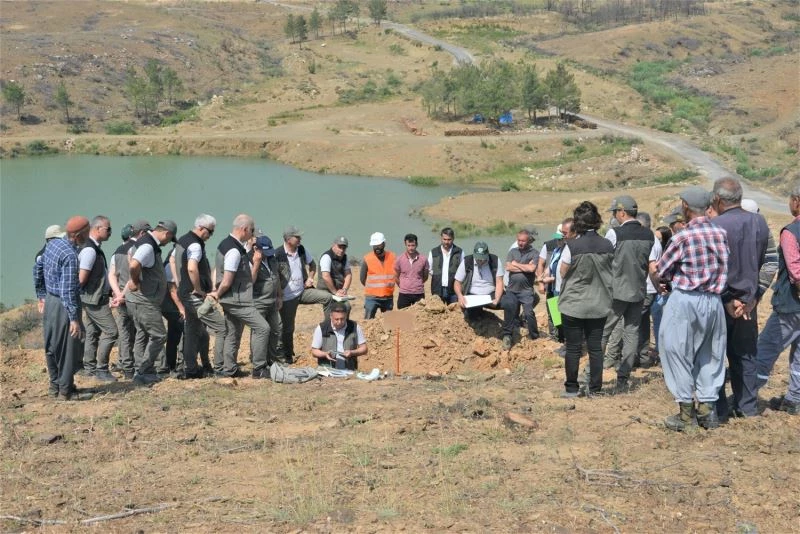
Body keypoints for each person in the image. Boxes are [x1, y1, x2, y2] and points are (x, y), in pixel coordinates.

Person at [655, 186, 729, 431]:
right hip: (713, 300)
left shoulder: (682, 236)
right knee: (711, 353)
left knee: (676, 351)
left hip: (686, 298)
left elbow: (663, 270)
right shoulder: (720, 232)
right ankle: (707, 412)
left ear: (686, 207)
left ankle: (686, 415)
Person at [711, 177, 769, 419]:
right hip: (748, 304)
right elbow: (770, 262)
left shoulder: (715, 226)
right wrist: (755, 297)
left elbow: (712, 269)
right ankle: (747, 407)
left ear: (717, 199)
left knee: (714, 356)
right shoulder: (760, 222)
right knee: (746, 355)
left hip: (720, 303)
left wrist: (726, 299)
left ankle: (718, 410)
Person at [33, 216, 93, 401]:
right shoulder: (70, 255)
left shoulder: (52, 245)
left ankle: (55, 386)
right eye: (87, 232)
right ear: (79, 234)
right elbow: (67, 289)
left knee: (52, 345)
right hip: (62, 304)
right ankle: (66, 392)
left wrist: (41, 295)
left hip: (51, 300)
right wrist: (74, 318)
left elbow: (37, 268)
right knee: (68, 347)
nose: (88, 235)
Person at [558, 201, 614, 397]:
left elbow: (563, 272)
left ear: (578, 223)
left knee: (573, 348)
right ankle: (596, 389)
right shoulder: (607, 244)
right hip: (599, 303)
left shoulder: (571, 246)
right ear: (597, 221)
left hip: (574, 304)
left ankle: (571, 389)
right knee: (595, 348)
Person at [600, 195, 655, 393]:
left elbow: (604, 261)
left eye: (615, 212)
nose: (615, 216)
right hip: (639, 291)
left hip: (616, 292)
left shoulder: (614, 234)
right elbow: (651, 264)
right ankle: (623, 378)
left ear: (622, 212)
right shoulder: (650, 235)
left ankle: (593, 374)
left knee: (604, 332)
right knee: (632, 334)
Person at [754, 185, 800, 414]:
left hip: (790, 306)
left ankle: (747, 397)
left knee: (765, 349)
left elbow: (794, 270)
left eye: (791, 200)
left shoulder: (791, 232)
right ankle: (794, 400)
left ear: (796, 201)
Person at [214, 214, 270, 378]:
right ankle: (259, 368)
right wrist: (216, 294)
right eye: (252, 231)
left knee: (233, 333)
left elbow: (217, 271)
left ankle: (229, 369)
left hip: (232, 298)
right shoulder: (234, 251)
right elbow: (227, 280)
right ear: (244, 229)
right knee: (262, 328)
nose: (252, 235)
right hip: (238, 300)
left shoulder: (226, 244)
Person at [126, 219, 178, 386]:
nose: (168, 243)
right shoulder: (148, 246)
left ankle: (141, 371)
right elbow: (134, 264)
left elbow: (130, 256)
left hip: (140, 299)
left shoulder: (143, 242)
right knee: (159, 335)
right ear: (167, 233)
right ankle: (143, 371)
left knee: (144, 333)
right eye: (169, 239)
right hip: (145, 300)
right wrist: (134, 280)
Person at [173, 215, 225, 379]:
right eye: (210, 232)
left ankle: (191, 369)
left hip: (184, 292)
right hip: (194, 295)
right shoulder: (195, 244)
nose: (210, 236)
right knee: (222, 327)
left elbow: (173, 260)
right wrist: (199, 290)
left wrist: (180, 284)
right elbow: (191, 268)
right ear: (201, 228)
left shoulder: (182, 240)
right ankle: (221, 367)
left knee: (192, 330)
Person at [275, 225, 332, 362]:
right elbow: (275, 277)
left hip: (302, 291)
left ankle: (330, 331)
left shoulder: (301, 249)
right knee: (288, 328)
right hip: (287, 297)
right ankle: (287, 356)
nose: (300, 239)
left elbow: (312, 265)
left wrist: (310, 278)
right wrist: (279, 296)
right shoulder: (277, 254)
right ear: (288, 239)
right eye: (297, 237)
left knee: (328, 298)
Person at [77, 215, 119, 383]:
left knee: (93, 332)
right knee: (111, 332)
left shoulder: (93, 248)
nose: (110, 232)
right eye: (108, 229)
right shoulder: (89, 250)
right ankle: (101, 369)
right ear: (97, 229)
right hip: (94, 300)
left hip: (93, 298)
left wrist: (108, 292)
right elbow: (81, 278)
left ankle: (89, 368)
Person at [107, 219, 149, 379]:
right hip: (136, 296)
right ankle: (141, 366)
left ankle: (126, 366)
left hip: (121, 299)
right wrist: (123, 295)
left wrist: (117, 294)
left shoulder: (117, 251)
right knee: (141, 331)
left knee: (124, 332)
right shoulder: (139, 249)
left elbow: (111, 274)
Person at [501, 228, 540, 349]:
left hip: (526, 290)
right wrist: (525, 267)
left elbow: (532, 269)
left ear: (528, 241)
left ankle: (534, 336)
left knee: (529, 313)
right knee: (510, 312)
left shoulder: (534, 253)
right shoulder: (513, 251)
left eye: (523, 241)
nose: (520, 243)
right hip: (512, 289)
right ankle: (508, 335)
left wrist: (516, 264)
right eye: (518, 240)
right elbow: (508, 267)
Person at [537, 219, 573, 344]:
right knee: (554, 315)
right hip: (553, 288)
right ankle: (557, 339)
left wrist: (550, 278)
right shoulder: (556, 250)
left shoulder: (569, 250)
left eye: (560, 239)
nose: (558, 241)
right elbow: (549, 267)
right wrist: (542, 277)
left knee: (564, 316)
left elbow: (564, 273)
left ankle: (566, 341)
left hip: (563, 288)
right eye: (557, 239)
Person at [249, 234, 283, 366]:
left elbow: (277, 278)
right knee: (260, 332)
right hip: (258, 302)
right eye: (264, 251)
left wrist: (280, 296)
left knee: (276, 329)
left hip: (272, 301)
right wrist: (256, 264)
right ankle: (258, 362)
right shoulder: (249, 260)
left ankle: (272, 359)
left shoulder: (272, 259)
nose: (267, 254)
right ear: (256, 248)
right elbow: (249, 282)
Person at [453, 241, 505, 321]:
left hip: (491, 294)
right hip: (473, 295)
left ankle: (508, 330)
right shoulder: (467, 261)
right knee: (473, 316)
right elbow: (457, 282)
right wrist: (460, 296)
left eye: (483, 259)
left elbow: (499, 282)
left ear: (487, 254)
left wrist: (497, 299)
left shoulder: (495, 260)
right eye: (478, 259)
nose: (480, 261)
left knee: (510, 303)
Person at [310, 301, 368, 370]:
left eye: (342, 319)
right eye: (336, 319)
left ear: (346, 315)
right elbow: (314, 351)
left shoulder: (354, 327)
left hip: (349, 372)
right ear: (331, 316)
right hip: (327, 372)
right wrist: (325, 354)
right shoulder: (322, 328)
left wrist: (352, 352)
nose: (339, 322)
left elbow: (364, 348)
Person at [360, 232, 396, 319]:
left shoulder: (393, 256)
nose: (376, 247)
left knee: (389, 322)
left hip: (388, 296)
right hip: (372, 298)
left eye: (379, 245)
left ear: (384, 244)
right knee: (368, 321)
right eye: (374, 245)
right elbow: (362, 278)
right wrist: (373, 289)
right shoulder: (367, 258)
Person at [34, 224, 66, 314]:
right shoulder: (42, 256)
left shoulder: (57, 252)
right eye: (59, 239)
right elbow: (38, 277)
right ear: (50, 240)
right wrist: (41, 297)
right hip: (50, 297)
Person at [318, 235, 353, 315]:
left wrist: (344, 289)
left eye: (344, 248)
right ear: (333, 245)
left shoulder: (345, 258)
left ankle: (343, 326)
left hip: (338, 292)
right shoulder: (327, 257)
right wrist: (335, 292)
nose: (341, 250)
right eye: (339, 247)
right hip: (326, 291)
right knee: (334, 311)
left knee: (347, 307)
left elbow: (348, 275)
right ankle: (328, 326)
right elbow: (325, 276)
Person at [428, 227, 462, 305]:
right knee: (437, 312)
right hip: (437, 289)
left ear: (453, 238)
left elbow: (463, 270)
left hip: (454, 290)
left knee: (454, 313)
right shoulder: (433, 252)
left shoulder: (459, 252)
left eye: (449, 239)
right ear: (441, 238)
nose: (446, 242)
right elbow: (429, 269)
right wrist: (438, 277)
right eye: (444, 239)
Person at [395, 233, 429, 309]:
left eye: (413, 245)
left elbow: (425, 276)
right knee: (403, 317)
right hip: (404, 293)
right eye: (409, 245)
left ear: (416, 244)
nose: (411, 248)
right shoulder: (399, 259)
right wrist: (403, 285)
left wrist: (417, 283)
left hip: (419, 293)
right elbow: (396, 276)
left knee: (419, 317)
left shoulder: (423, 259)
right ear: (405, 244)